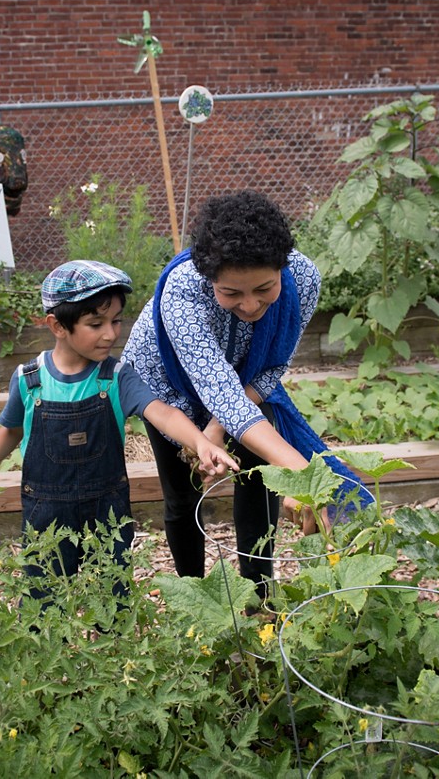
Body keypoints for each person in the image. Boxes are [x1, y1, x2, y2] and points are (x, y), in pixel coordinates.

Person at [0, 259, 238, 602]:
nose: (111, 334)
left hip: (107, 512)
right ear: (57, 325)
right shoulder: (29, 380)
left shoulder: (116, 377)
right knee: (44, 598)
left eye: (115, 321)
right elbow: (10, 431)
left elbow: (163, 413)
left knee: (112, 598)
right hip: (46, 513)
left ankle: (113, 648)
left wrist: (200, 442)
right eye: (95, 323)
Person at [122, 190, 367, 598]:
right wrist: (302, 471)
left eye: (264, 288)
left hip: (244, 381)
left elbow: (272, 366)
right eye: (232, 294)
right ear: (209, 279)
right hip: (168, 386)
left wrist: (218, 428)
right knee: (183, 494)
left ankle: (259, 595)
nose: (251, 305)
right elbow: (216, 387)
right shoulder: (183, 290)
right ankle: (194, 596)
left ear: (282, 269)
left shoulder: (302, 280)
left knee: (260, 480)